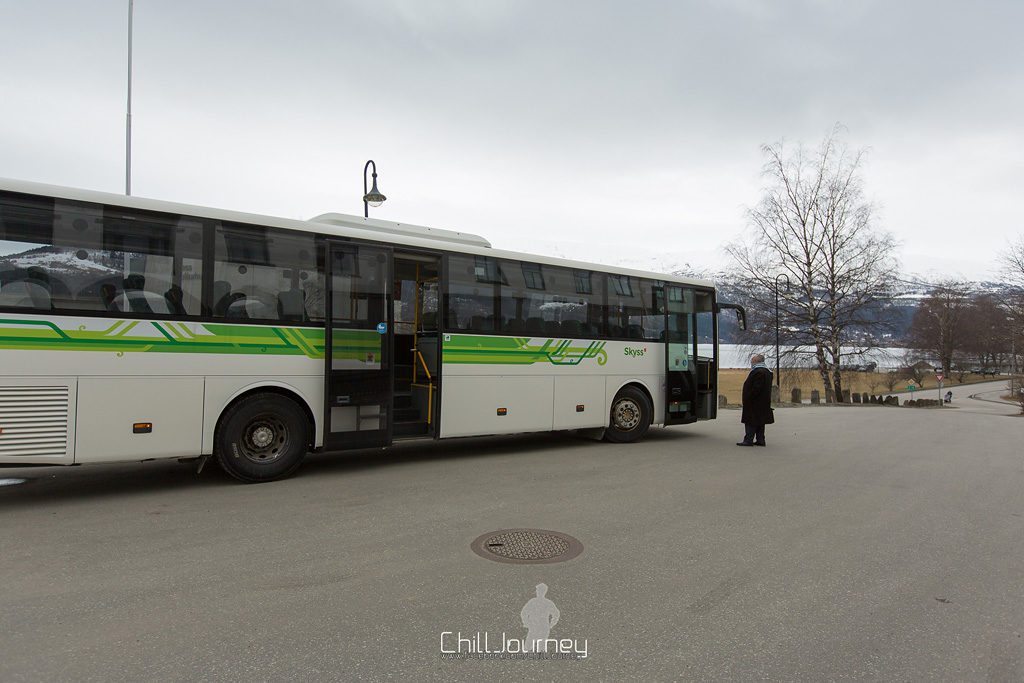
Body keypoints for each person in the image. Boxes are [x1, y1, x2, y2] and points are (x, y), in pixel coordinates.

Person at [737, 353, 773, 447]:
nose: (751, 363)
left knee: (751, 421)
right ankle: (760, 440)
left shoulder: (759, 372)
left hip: (755, 402)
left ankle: (748, 440)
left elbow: (757, 388)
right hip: (763, 402)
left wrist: (749, 396)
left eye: (752, 361)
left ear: (757, 361)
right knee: (760, 421)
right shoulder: (767, 371)